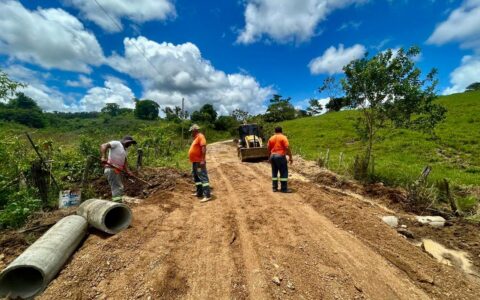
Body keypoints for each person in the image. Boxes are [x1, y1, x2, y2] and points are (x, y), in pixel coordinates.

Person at [100, 136, 137, 202]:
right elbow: (103, 145)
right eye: (129, 143)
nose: (130, 145)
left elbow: (124, 161)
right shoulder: (117, 143)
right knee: (117, 187)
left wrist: (128, 171)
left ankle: (118, 202)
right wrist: (103, 157)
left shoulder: (124, 150)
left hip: (117, 170)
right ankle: (117, 204)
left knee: (118, 187)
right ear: (125, 141)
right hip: (111, 169)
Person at [188, 124, 212, 202]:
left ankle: (207, 195)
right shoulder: (196, 138)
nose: (191, 133)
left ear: (195, 130)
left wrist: (202, 159)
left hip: (199, 162)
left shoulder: (201, 136)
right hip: (195, 162)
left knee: (202, 177)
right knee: (197, 177)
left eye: (192, 131)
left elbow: (203, 148)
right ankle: (199, 193)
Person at [268, 126, 293, 193]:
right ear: (281, 131)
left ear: (275, 131)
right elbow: (287, 147)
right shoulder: (283, 137)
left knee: (274, 172)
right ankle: (284, 189)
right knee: (284, 172)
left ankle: (274, 188)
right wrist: (290, 157)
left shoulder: (271, 138)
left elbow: (268, 148)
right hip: (280, 156)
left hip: (272, 156)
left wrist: (269, 157)